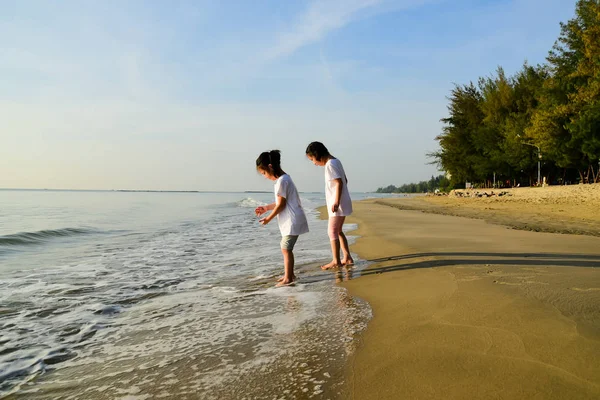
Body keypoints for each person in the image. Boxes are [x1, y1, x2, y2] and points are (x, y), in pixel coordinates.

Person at [254, 150, 309, 286]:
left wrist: (268, 218)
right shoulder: (285, 179)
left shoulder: (281, 181)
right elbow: (280, 202)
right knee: (285, 247)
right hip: (292, 219)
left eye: (264, 173)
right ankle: (289, 275)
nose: (265, 176)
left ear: (270, 167)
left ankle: (288, 278)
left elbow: (281, 205)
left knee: (285, 248)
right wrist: (266, 208)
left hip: (292, 220)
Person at [305, 141, 354, 270]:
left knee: (332, 231)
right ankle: (347, 257)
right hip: (342, 201)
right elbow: (345, 180)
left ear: (317, 155)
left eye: (312, 160)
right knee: (338, 231)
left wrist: (336, 201)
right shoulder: (336, 161)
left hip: (337, 203)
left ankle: (336, 261)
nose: (314, 163)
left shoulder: (330, 164)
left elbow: (339, 183)